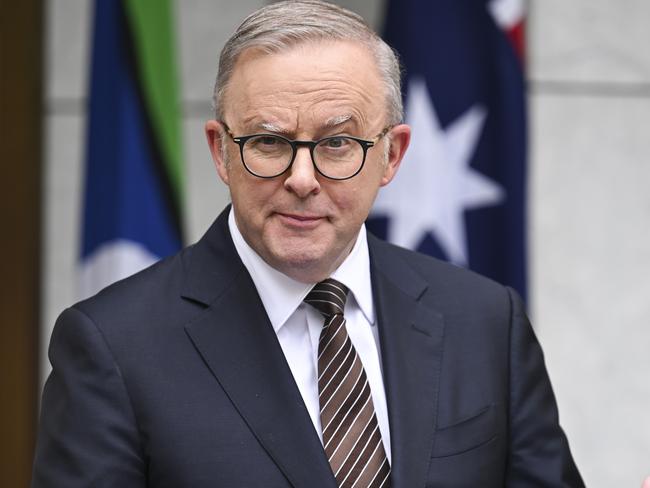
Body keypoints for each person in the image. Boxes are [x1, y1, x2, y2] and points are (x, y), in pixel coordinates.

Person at [32, 1, 584, 486]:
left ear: (392, 155)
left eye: (338, 143)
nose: (302, 178)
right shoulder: (111, 348)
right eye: (269, 141)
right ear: (221, 151)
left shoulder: (486, 320)